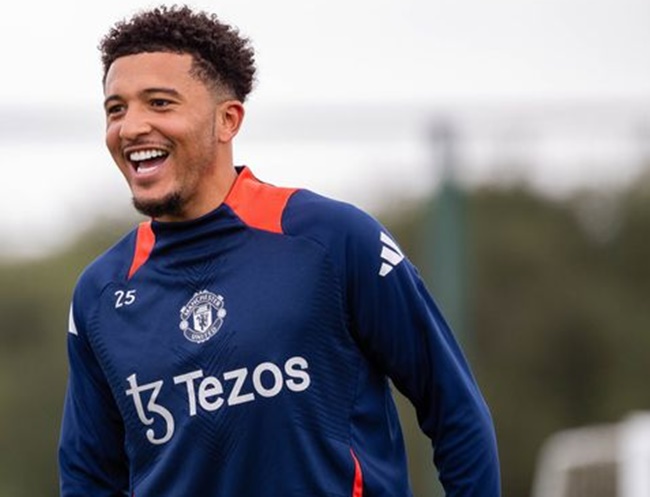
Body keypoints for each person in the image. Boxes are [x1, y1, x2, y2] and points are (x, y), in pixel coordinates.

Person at [58, 5, 500, 496]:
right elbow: (88, 479)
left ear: (227, 120)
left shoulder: (332, 240)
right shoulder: (100, 293)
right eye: (116, 109)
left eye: (159, 103)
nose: (130, 127)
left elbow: (455, 410)